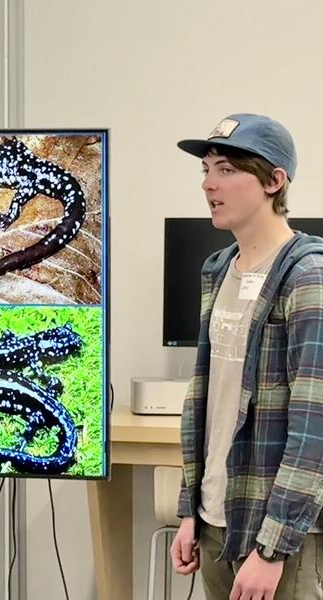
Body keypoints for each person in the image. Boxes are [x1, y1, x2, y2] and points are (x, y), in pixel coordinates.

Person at [169, 113, 323, 599]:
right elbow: (208, 403)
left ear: (274, 181)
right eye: (206, 170)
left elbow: (314, 424)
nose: (210, 184)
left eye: (228, 170)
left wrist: (273, 549)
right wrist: (191, 510)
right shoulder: (217, 270)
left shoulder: (307, 277)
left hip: (276, 533)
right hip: (218, 518)